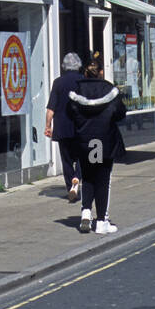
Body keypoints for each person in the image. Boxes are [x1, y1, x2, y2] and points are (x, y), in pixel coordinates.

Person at [65, 54, 126, 234]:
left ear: (85, 72)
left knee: (89, 177)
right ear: (100, 72)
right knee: (103, 181)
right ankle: (102, 221)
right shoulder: (110, 90)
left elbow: (70, 114)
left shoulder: (76, 92)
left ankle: (85, 212)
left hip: (85, 142)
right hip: (104, 141)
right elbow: (120, 113)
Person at [45, 52, 85, 202]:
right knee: (82, 156)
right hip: (80, 127)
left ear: (64, 66)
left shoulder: (58, 83)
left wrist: (47, 126)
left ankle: (71, 188)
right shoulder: (83, 81)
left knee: (67, 160)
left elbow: (51, 109)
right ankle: (77, 178)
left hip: (62, 128)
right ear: (78, 65)